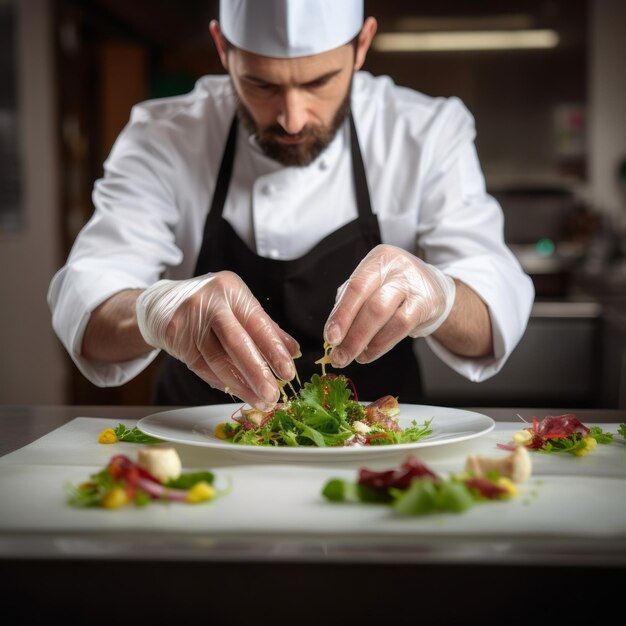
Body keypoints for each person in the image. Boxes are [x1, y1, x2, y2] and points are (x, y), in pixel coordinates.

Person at [47, 0, 534, 409]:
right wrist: (155, 309)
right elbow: (87, 309)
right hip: (200, 450)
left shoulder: (427, 132)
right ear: (223, 48)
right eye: (262, 85)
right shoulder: (163, 135)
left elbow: (492, 317)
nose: (293, 119)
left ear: (362, 45)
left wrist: (440, 297)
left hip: (381, 458)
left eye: (320, 82)